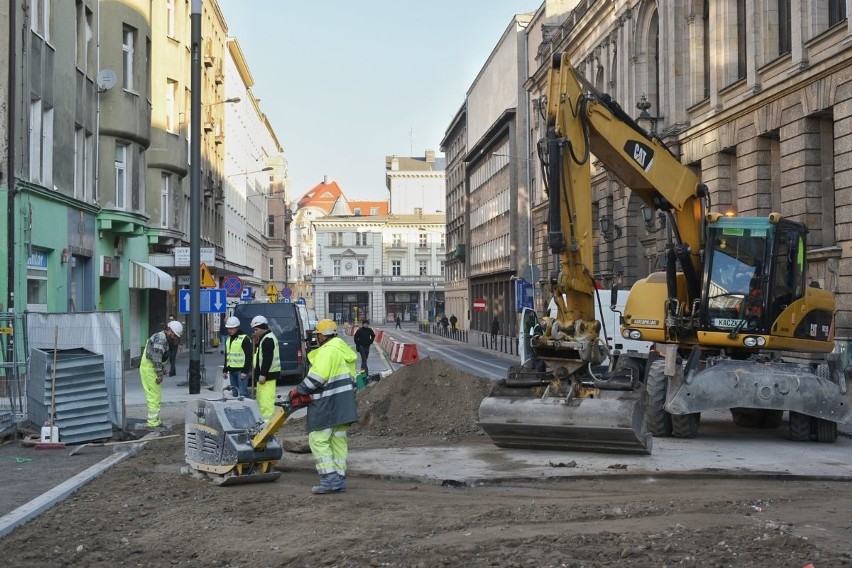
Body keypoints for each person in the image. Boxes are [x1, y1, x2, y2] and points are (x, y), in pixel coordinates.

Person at [289, 319, 358, 495]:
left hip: (327, 404)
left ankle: (329, 479)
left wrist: (298, 390)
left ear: (321, 336)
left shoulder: (327, 351)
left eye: (316, 335)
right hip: (344, 406)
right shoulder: (343, 350)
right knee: (338, 441)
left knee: (318, 439)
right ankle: (339, 478)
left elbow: (316, 378)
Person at [139, 320, 183, 430]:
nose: (174, 337)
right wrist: (159, 373)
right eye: (174, 334)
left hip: (150, 369)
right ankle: (152, 423)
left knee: (156, 396)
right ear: (169, 330)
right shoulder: (161, 338)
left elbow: (157, 356)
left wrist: (161, 368)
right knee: (153, 397)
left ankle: (155, 421)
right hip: (150, 370)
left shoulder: (162, 337)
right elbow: (156, 357)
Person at [250, 315, 280, 420]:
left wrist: (263, 374)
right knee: (261, 401)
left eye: (256, 329)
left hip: (267, 377)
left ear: (262, 328)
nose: (255, 332)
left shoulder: (267, 340)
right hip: (265, 377)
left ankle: (266, 425)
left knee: (266, 403)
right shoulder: (265, 338)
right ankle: (263, 423)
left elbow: (267, 358)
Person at [222, 316, 252, 397]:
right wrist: (225, 370)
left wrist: (245, 371)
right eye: (228, 328)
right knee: (235, 393)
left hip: (241, 371)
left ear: (236, 327)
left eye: (232, 328)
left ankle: (247, 408)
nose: (229, 330)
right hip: (232, 371)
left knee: (242, 393)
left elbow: (249, 356)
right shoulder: (228, 339)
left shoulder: (244, 338)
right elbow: (227, 356)